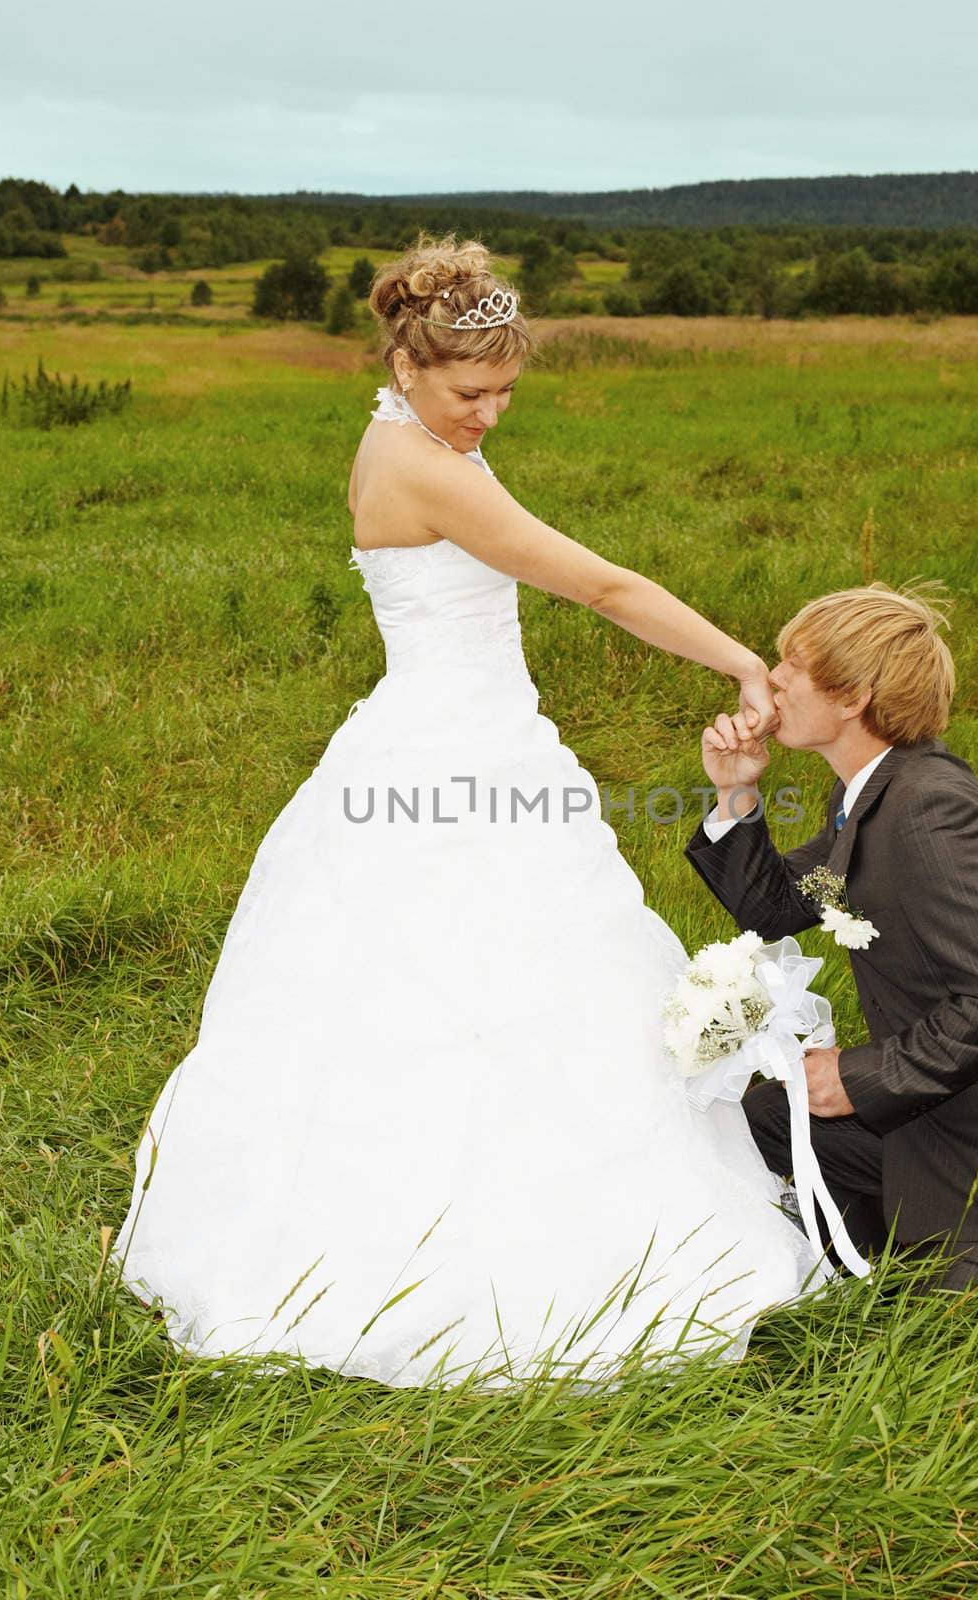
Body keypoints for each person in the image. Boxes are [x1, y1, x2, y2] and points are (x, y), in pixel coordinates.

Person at [113, 236, 818, 1387]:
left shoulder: (414, 436)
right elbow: (600, 584)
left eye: (503, 392)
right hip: (447, 755)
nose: (488, 412)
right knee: (440, 980)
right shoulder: (421, 464)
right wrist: (745, 663)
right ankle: (425, 1244)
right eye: (467, 391)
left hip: (473, 734)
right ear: (407, 361)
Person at [685, 584, 978, 1291]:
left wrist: (858, 1079)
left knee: (921, 1336)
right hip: (937, 1118)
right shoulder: (871, 794)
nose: (772, 680)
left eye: (792, 664)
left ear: (853, 694)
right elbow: (775, 905)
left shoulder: (930, 812)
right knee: (750, 1121)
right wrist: (736, 791)